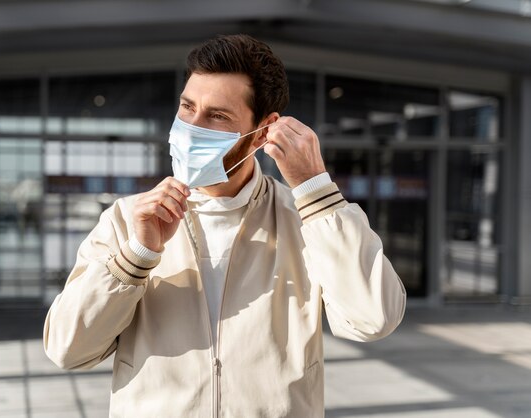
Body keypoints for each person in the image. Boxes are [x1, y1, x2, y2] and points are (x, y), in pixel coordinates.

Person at [43, 34, 406, 417]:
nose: (191, 127)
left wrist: (315, 190)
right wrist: (137, 255)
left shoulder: (306, 219)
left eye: (216, 116)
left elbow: (374, 319)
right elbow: (67, 350)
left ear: (262, 133)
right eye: (187, 107)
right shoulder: (126, 218)